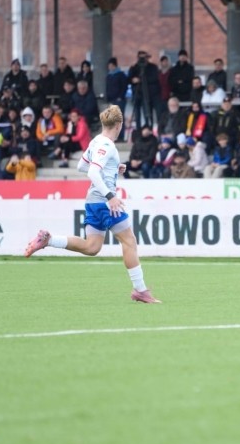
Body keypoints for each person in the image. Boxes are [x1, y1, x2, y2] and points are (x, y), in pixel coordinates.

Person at [25, 105, 161, 304]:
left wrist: (113, 168)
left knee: (92, 247)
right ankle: (140, 290)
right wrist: (110, 196)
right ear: (119, 125)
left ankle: (49, 239)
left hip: (92, 202)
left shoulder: (96, 141)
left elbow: (82, 165)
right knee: (129, 241)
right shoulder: (108, 146)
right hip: (104, 202)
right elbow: (92, 172)